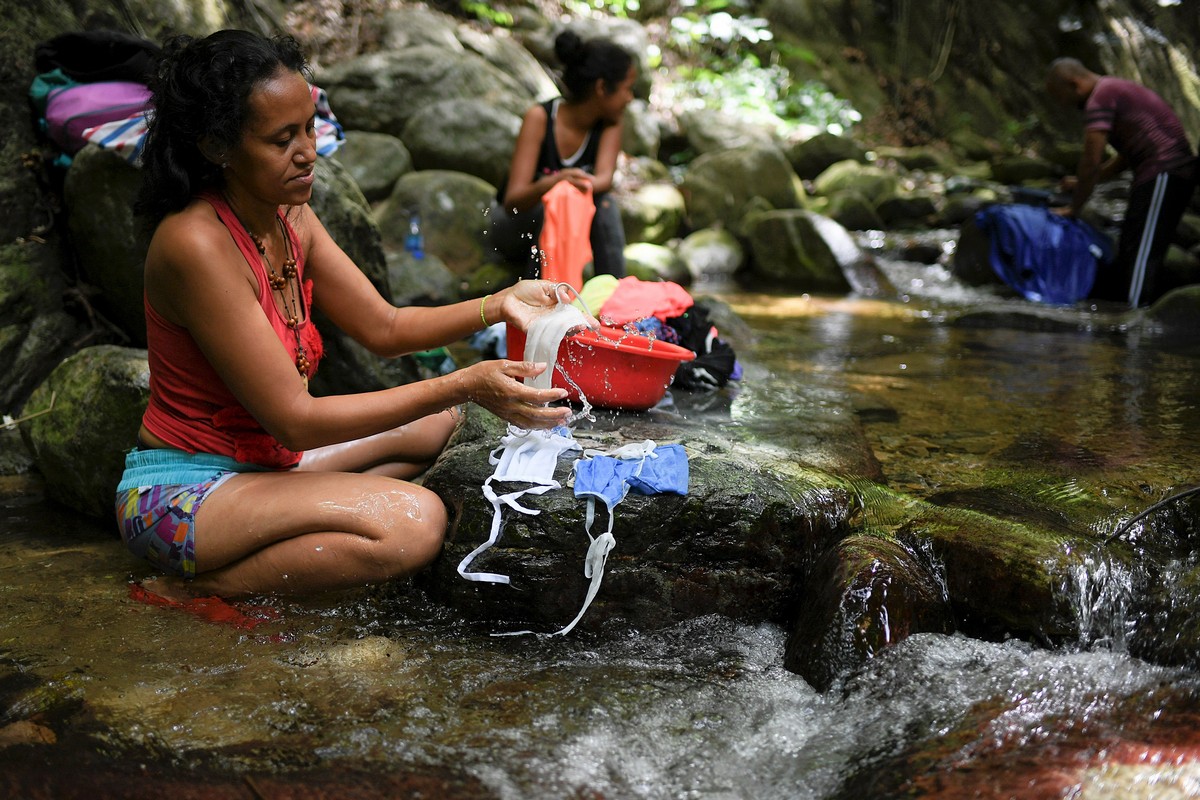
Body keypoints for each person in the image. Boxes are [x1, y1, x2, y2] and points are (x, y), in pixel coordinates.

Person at [116, 29, 589, 602]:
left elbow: (384, 328)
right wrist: (462, 381)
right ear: (217, 146)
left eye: (310, 127)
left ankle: (315, 520)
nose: (308, 152)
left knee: (449, 424)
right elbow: (295, 420)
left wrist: (498, 302)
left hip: (271, 468)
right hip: (186, 497)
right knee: (413, 524)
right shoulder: (195, 244)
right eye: (281, 138)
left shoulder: (289, 217)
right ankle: (198, 592)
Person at [1045, 57, 1198, 308]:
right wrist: (1082, 182)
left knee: (1142, 253)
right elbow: (1127, 155)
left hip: (1165, 171)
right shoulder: (1113, 90)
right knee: (1130, 246)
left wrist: (1075, 206)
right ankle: (1124, 310)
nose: (1061, 104)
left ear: (1074, 84)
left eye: (1059, 96)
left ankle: (1134, 318)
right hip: (1160, 173)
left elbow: (1090, 159)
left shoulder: (1100, 98)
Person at [490, 30, 636, 282]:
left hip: (569, 222)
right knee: (557, 201)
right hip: (515, 227)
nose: (629, 98)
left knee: (604, 205)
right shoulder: (540, 118)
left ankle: (615, 298)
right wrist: (558, 182)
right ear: (602, 88)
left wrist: (569, 185)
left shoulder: (611, 123)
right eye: (627, 89)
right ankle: (540, 305)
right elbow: (513, 200)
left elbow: (604, 180)